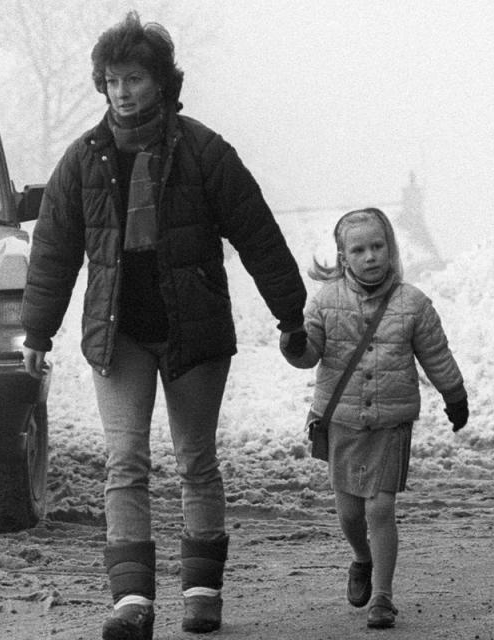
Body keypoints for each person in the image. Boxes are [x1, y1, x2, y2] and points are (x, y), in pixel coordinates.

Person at [20, 12, 307, 640]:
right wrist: (36, 334)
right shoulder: (82, 161)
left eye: (135, 78)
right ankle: (132, 604)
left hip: (193, 330)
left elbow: (258, 234)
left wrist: (292, 315)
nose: (122, 91)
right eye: (113, 79)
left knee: (195, 459)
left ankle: (202, 590)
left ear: (161, 83)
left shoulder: (204, 152)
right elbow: (54, 252)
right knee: (124, 461)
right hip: (117, 334)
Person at [281, 207, 468, 630]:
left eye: (378, 246)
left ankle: (382, 597)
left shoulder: (413, 304)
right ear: (343, 256)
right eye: (359, 249)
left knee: (380, 508)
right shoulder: (326, 301)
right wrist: (293, 343)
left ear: (390, 248)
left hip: (389, 423)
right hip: (342, 419)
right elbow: (309, 354)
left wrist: (454, 395)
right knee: (349, 513)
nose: (370, 256)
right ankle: (361, 558)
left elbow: (436, 354)